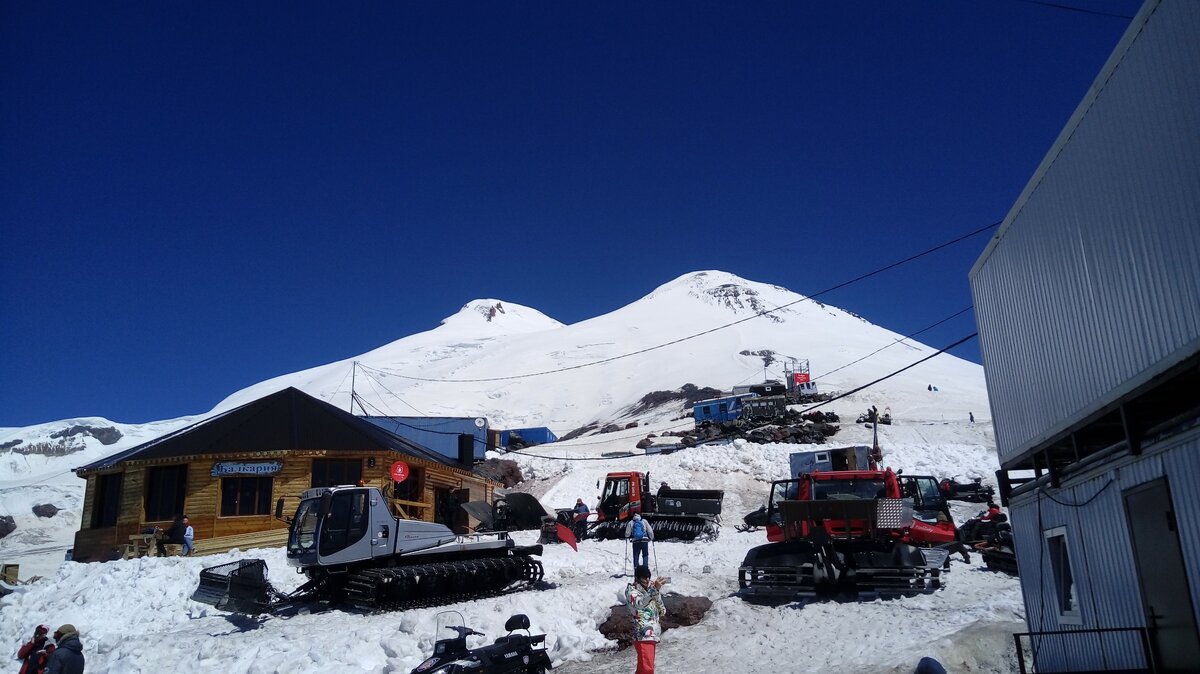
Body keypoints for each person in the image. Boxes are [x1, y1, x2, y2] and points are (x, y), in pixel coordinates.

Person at [623, 565, 667, 674]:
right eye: (644, 577)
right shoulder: (631, 591)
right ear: (637, 578)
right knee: (647, 669)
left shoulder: (651, 589)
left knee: (644, 669)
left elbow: (662, 611)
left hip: (652, 634)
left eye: (648, 577)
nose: (647, 580)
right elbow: (639, 604)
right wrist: (653, 590)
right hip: (642, 634)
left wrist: (656, 592)